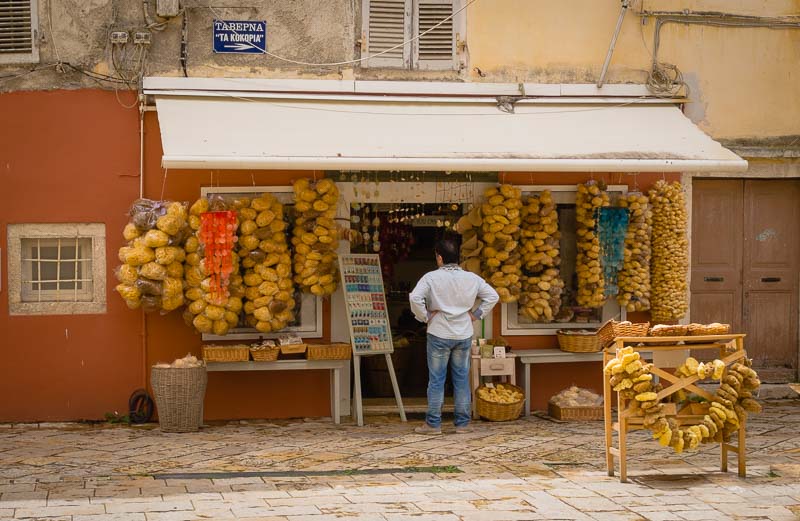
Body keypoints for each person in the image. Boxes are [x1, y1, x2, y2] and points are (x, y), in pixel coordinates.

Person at [408, 238, 499, 434]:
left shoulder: (431, 277)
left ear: (439, 257)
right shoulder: (472, 278)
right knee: (461, 380)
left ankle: (433, 424)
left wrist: (425, 316)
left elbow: (414, 297)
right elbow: (493, 296)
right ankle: (463, 424)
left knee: (436, 380)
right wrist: (475, 315)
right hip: (463, 333)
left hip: (438, 332)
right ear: (457, 258)